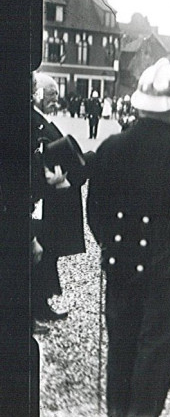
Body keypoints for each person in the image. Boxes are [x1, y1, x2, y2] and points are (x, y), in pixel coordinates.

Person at [87, 58, 170, 417]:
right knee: (157, 347)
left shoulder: (111, 147)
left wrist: (112, 246)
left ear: (139, 104)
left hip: (120, 266)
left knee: (122, 343)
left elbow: (94, 211)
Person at [31, 72, 89, 323]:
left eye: (56, 95)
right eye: (50, 95)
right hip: (40, 199)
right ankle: (37, 307)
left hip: (51, 198)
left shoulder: (43, 119)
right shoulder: (34, 120)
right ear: (38, 94)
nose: (55, 100)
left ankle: (41, 304)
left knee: (47, 251)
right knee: (40, 251)